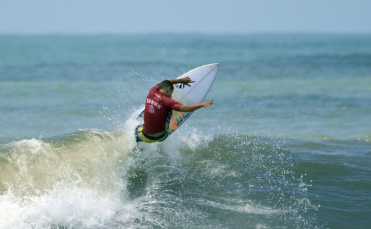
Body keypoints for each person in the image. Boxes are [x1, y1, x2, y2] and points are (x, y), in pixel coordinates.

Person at [135, 77, 213, 143]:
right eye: (171, 93)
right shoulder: (168, 101)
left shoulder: (152, 90)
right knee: (169, 109)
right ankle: (168, 122)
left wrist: (181, 80)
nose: (171, 96)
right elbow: (184, 108)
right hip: (161, 137)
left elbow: (165, 82)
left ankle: (136, 145)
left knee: (137, 128)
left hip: (144, 137)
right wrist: (200, 105)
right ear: (168, 89)